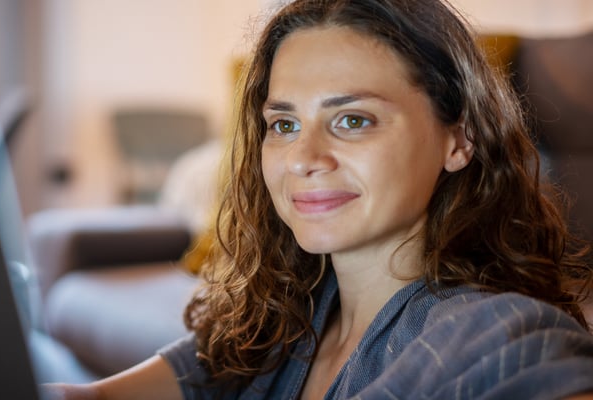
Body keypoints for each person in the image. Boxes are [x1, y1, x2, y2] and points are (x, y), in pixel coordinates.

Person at [42, 0, 593, 398]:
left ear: (459, 139)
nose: (303, 157)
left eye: (352, 120)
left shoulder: (495, 339)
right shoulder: (280, 318)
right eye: (283, 124)